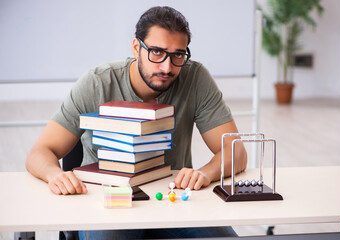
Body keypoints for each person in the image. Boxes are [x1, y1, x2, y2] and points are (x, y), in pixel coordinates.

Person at [26, 6, 247, 239]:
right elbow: (40, 152)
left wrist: (206, 172)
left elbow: (237, 152)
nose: (167, 67)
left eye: (178, 55)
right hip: (107, 202)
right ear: (136, 48)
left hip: (171, 200)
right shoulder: (97, 83)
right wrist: (55, 175)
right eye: (156, 52)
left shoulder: (195, 78)